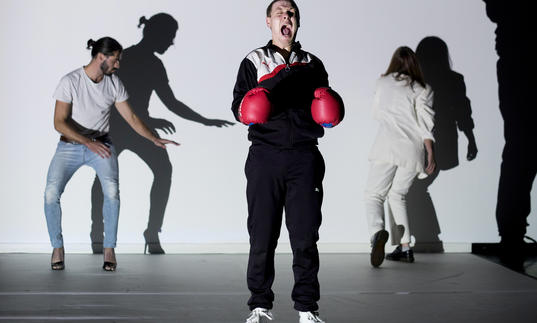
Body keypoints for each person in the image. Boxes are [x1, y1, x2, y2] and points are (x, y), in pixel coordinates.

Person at [231, 1, 343, 322]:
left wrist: (330, 108)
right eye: (280, 13)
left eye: (291, 13)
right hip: (265, 157)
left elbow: (326, 110)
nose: (286, 17)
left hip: (305, 158)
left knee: (306, 236)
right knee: (262, 234)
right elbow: (239, 107)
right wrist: (261, 96)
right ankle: (260, 306)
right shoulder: (254, 60)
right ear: (269, 21)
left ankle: (307, 308)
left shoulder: (313, 63)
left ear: (297, 22)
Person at [89, 13, 233, 255]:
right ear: (155, 34)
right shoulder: (124, 59)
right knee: (103, 177)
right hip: (116, 127)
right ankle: (98, 233)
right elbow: (109, 97)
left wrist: (205, 121)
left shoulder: (154, 64)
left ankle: (152, 232)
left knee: (162, 170)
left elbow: (171, 102)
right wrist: (149, 120)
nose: (171, 42)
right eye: (170, 37)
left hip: (140, 128)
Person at [44, 37, 178, 271]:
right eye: (115, 60)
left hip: (102, 146)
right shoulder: (70, 81)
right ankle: (57, 247)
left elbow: (133, 119)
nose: (118, 65)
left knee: (112, 193)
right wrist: (86, 142)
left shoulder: (114, 84)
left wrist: (153, 138)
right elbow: (59, 122)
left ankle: (109, 249)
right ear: (101, 57)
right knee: (51, 194)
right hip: (70, 146)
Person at [364, 46, 435, 268]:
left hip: (387, 145)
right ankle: (405, 248)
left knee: (374, 195)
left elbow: (375, 113)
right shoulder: (423, 88)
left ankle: (377, 234)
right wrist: (430, 153)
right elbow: (426, 124)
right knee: (398, 195)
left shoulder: (382, 82)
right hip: (413, 150)